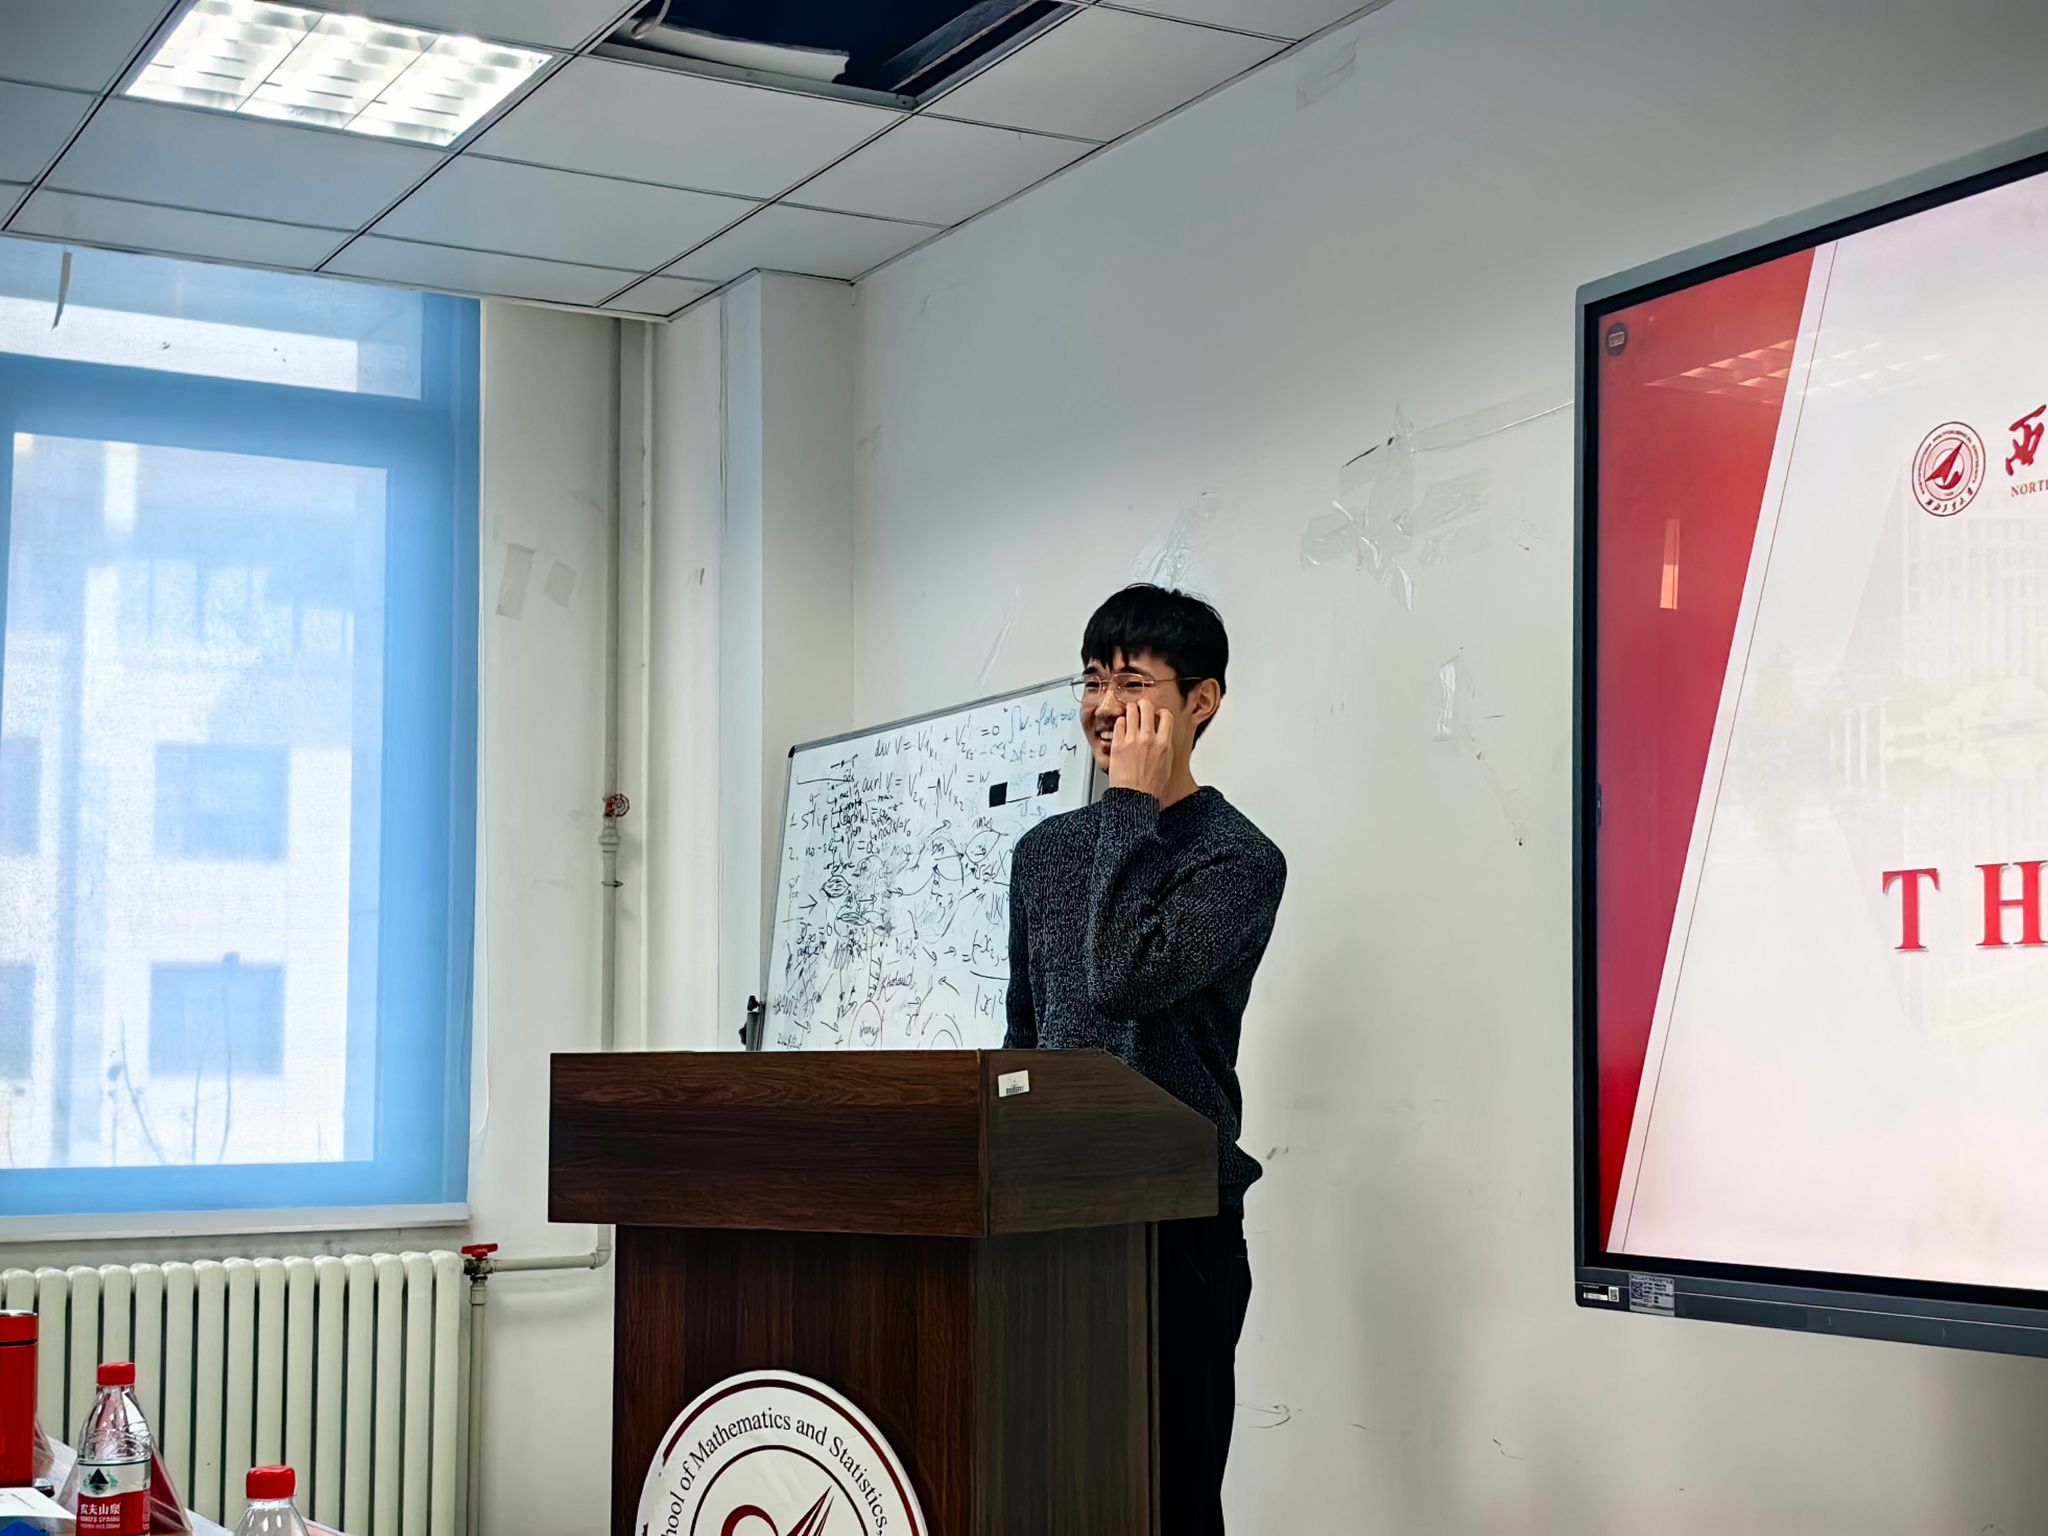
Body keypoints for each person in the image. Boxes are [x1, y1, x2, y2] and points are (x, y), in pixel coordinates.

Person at [1003, 582, 1287, 1535]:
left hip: (1176, 1221)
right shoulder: (1044, 852)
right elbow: (1027, 1033)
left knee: (1165, 1497)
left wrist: (1128, 803)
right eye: (1092, 681)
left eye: (1131, 683)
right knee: (1048, 1491)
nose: (1102, 706)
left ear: (1201, 701)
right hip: (1051, 1214)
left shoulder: (1238, 860)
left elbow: (1121, 978)